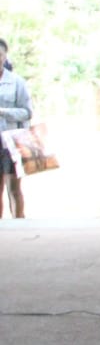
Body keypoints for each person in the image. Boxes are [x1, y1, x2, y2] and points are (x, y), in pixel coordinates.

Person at [0, 38, 33, 219]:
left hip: (9, 143)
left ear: (5, 57)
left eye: (0, 55)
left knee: (13, 188)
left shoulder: (16, 82)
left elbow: (27, 112)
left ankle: (18, 225)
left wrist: (3, 112)